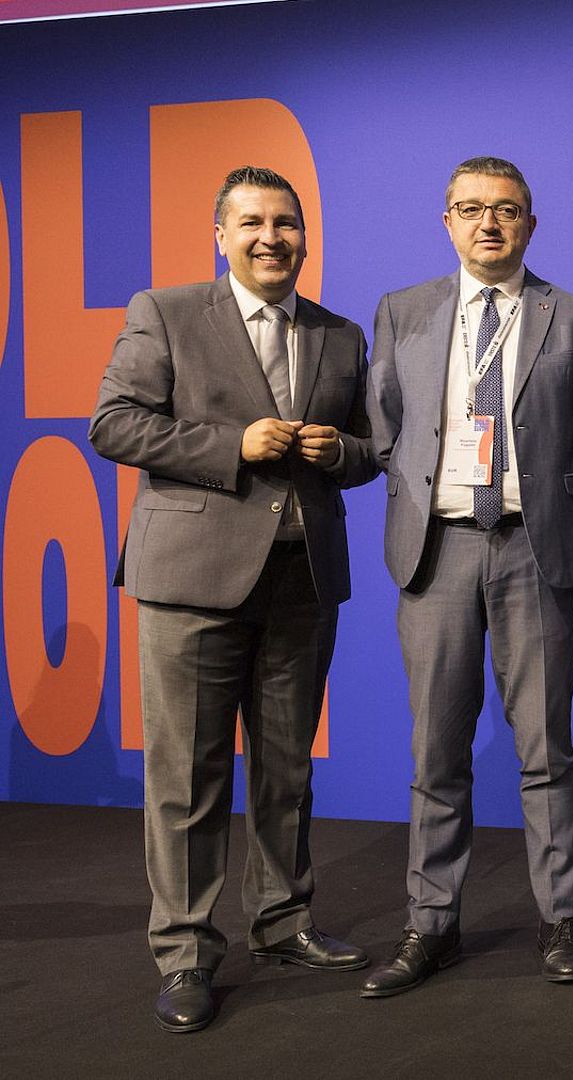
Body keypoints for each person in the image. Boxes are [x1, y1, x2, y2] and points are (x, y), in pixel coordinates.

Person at [89, 165, 379, 1032]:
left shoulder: (337, 332)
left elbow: (374, 449)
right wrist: (233, 444)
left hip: (303, 582)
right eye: (252, 222)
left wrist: (339, 455)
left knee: (287, 772)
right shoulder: (166, 311)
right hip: (191, 585)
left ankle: (284, 922)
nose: (271, 238)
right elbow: (113, 423)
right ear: (220, 235)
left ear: (304, 235)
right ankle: (185, 953)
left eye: (286, 223)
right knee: (187, 779)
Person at [359, 157, 573, 997]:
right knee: (437, 751)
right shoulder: (403, 311)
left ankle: (561, 916)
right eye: (470, 209)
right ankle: (431, 924)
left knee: (547, 748)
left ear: (530, 225)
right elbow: (385, 425)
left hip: (537, 550)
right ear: (447, 222)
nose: (488, 224)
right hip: (438, 551)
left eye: (506, 211)